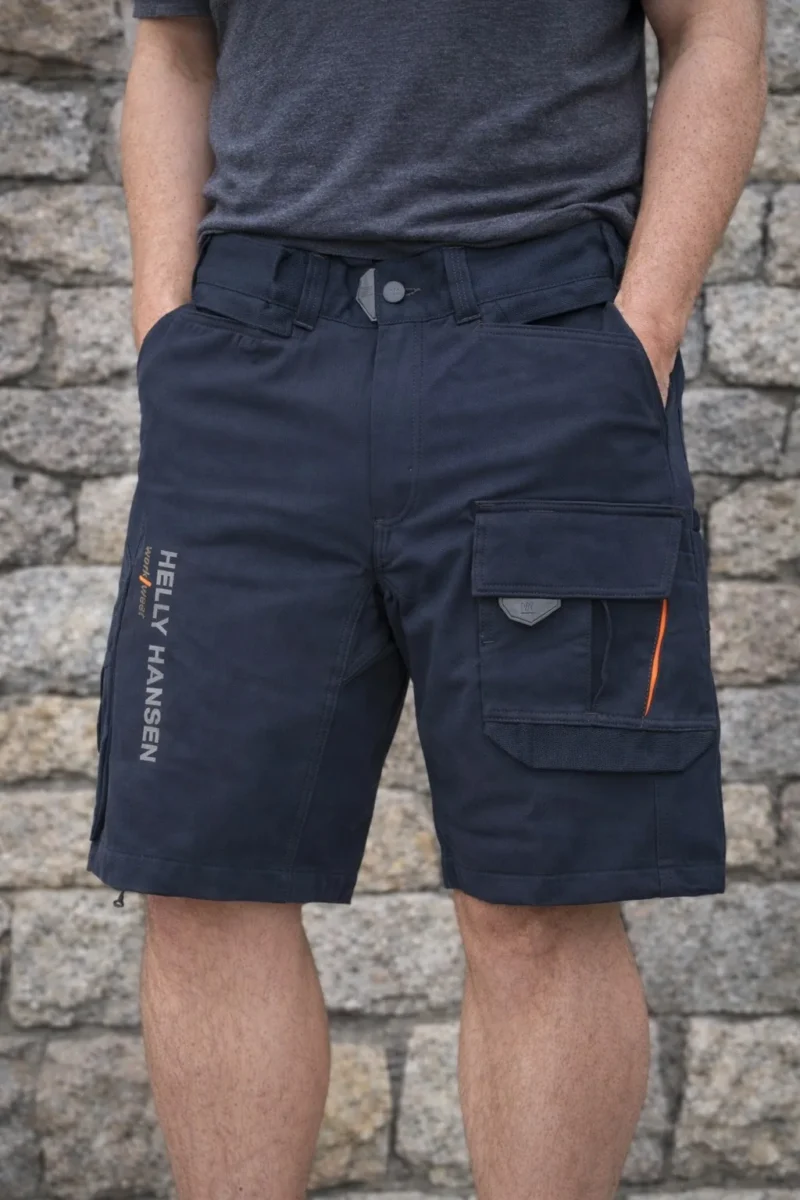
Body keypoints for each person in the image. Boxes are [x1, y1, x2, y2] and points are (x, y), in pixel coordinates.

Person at [88, 2, 767, 1196]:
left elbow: (715, 29)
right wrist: (164, 331)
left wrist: (640, 333)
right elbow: (174, 52)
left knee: (539, 897)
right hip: (247, 366)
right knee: (202, 878)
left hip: (538, 354)